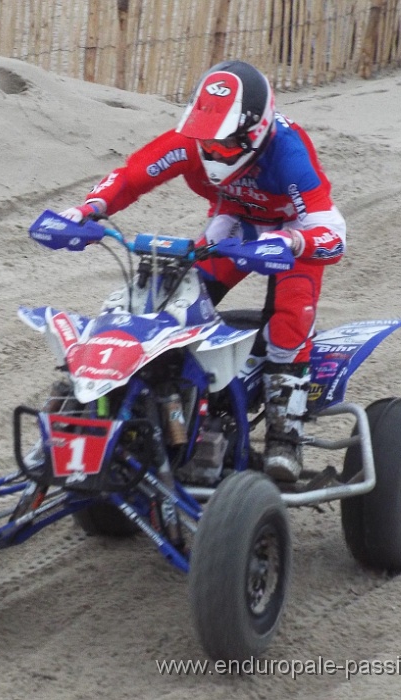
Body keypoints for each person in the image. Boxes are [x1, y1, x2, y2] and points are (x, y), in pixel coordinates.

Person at [57, 60, 346, 482]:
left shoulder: (288, 152)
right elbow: (131, 176)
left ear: (255, 132)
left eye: (225, 144)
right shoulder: (191, 142)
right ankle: (160, 404)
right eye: (204, 138)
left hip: (291, 234)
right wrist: (88, 209)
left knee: (289, 317)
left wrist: (295, 241)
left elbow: (332, 232)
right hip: (234, 226)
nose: (211, 151)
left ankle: (285, 432)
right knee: (170, 299)